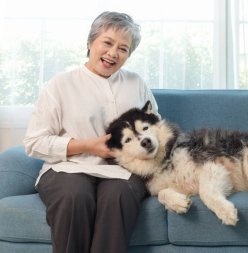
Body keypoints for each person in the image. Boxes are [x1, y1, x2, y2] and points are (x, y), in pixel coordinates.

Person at [23, 11, 159, 253]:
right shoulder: (60, 84)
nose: (113, 53)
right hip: (68, 168)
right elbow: (34, 142)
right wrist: (87, 146)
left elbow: (155, 127)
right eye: (107, 42)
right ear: (90, 42)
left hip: (123, 170)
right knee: (74, 196)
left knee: (118, 195)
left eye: (123, 48)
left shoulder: (136, 83)